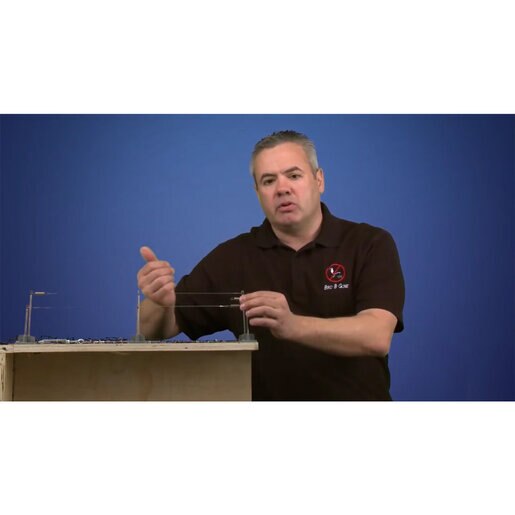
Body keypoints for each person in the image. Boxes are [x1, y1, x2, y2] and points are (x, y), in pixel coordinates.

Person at [137, 130, 405, 400]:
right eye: (268, 180)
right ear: (257, 192)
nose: (282, 188)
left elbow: (376, 335)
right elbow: (155, 330)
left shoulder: (369, 243)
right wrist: (160, 303)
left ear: (319, 180)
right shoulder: (233, 257)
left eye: (294, 175)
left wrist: (292, 325)